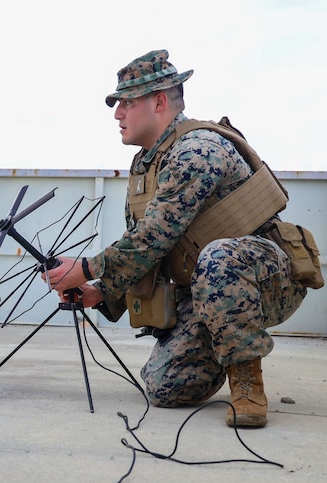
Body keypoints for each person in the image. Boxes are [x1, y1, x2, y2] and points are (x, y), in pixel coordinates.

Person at [45, 49, 311, 428]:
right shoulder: (148, 162)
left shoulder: (197, 150)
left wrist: (85, 267)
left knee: (219, 258)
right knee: (165, 387)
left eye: (126, 102)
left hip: (265, 276)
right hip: (208, 289)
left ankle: (247, 385)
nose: (117, 113)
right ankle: (224, 341)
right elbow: (147, 245)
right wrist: (98, 290)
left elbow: (155, 236)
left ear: (158, 101)